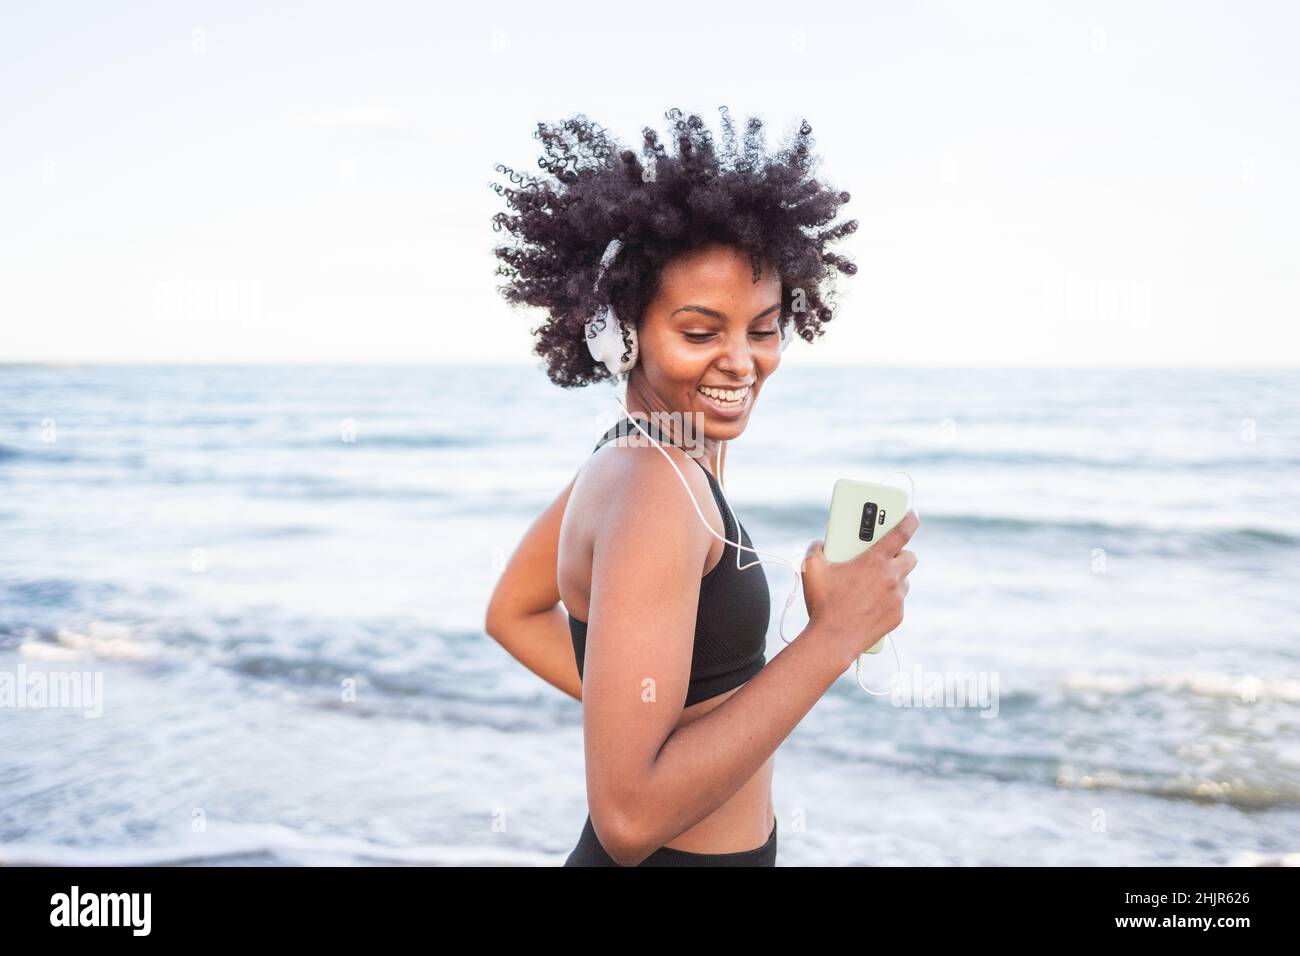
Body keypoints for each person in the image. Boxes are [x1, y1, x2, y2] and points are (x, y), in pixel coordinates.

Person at [484, 107, 919, 866]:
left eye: (763, 328)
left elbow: (513, 613)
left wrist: (647, 718)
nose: (741, 362)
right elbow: (626, 819)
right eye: (698, 332)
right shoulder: (652, 485)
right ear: (620, 331)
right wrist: (834, 635)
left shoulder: (645, 454)